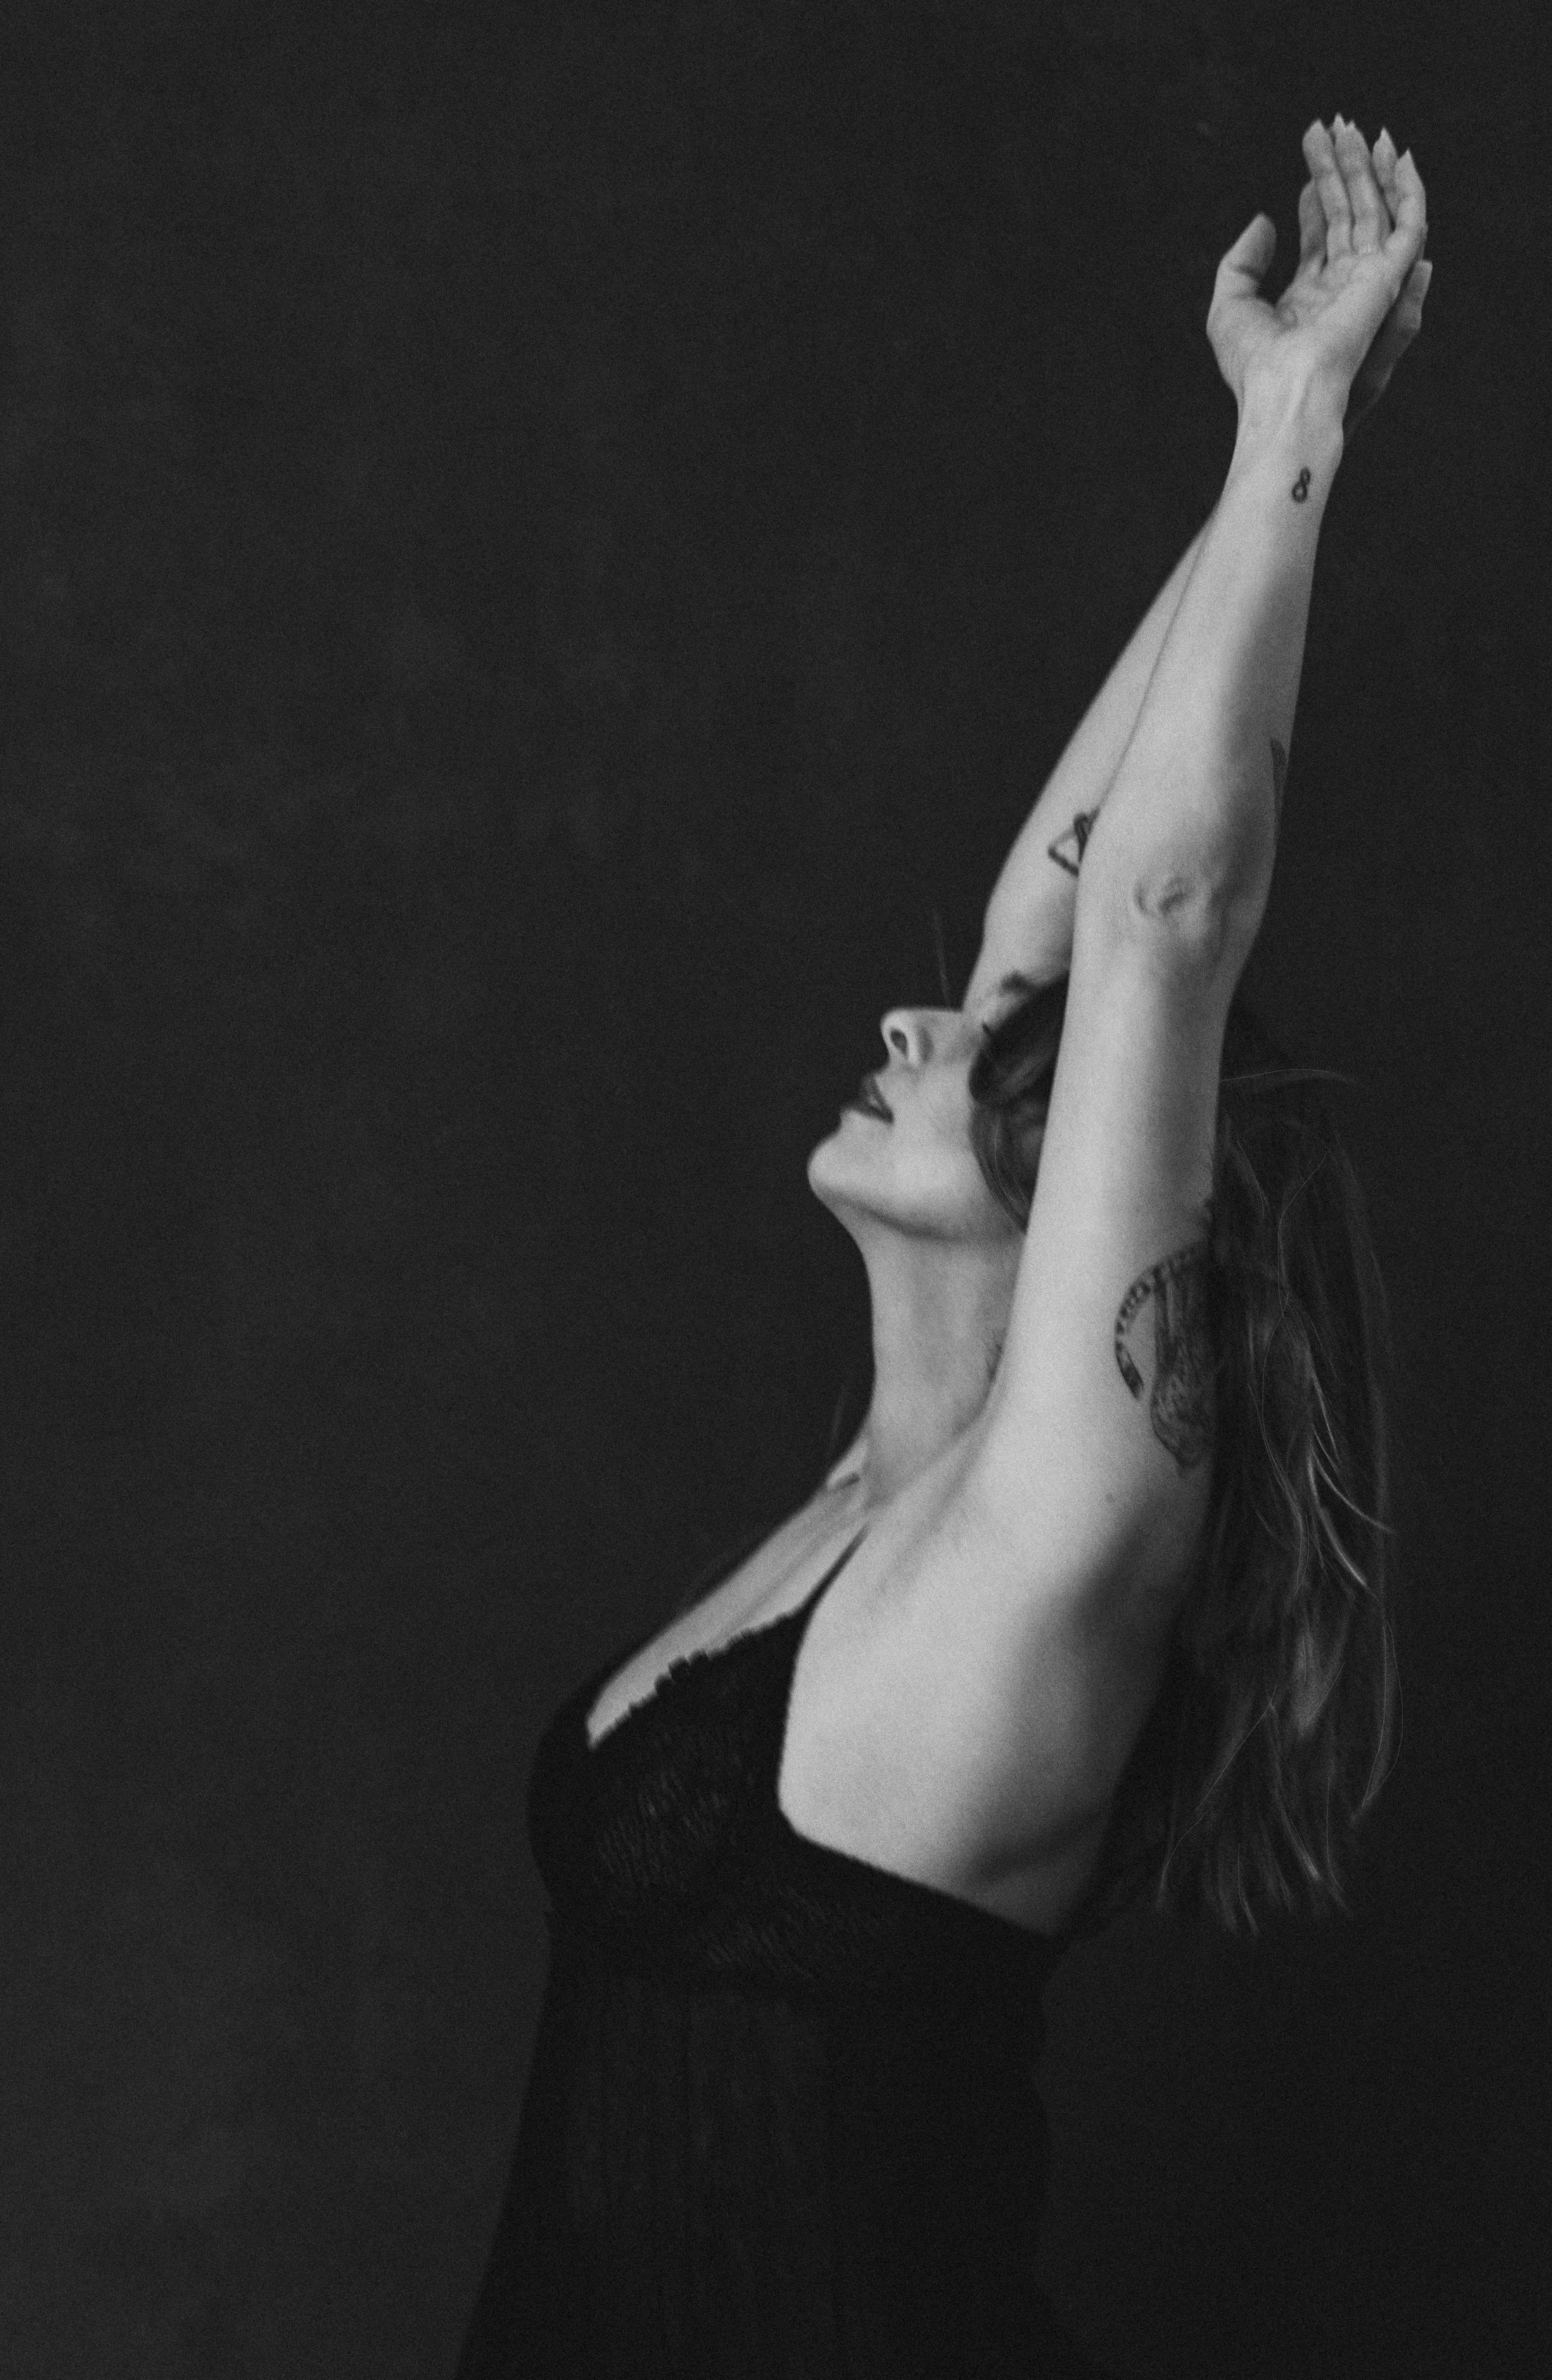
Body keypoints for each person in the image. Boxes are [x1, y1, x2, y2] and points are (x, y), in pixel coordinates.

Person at [455, 118, 1431, 2377]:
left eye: (1000, 1060)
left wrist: (1297, 438)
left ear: (1085, 1182)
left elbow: (1158, 917)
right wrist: (1246, 478)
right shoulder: (860, 1504)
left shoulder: (1053, 1530)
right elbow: (1065, 894)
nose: (925, 1010)